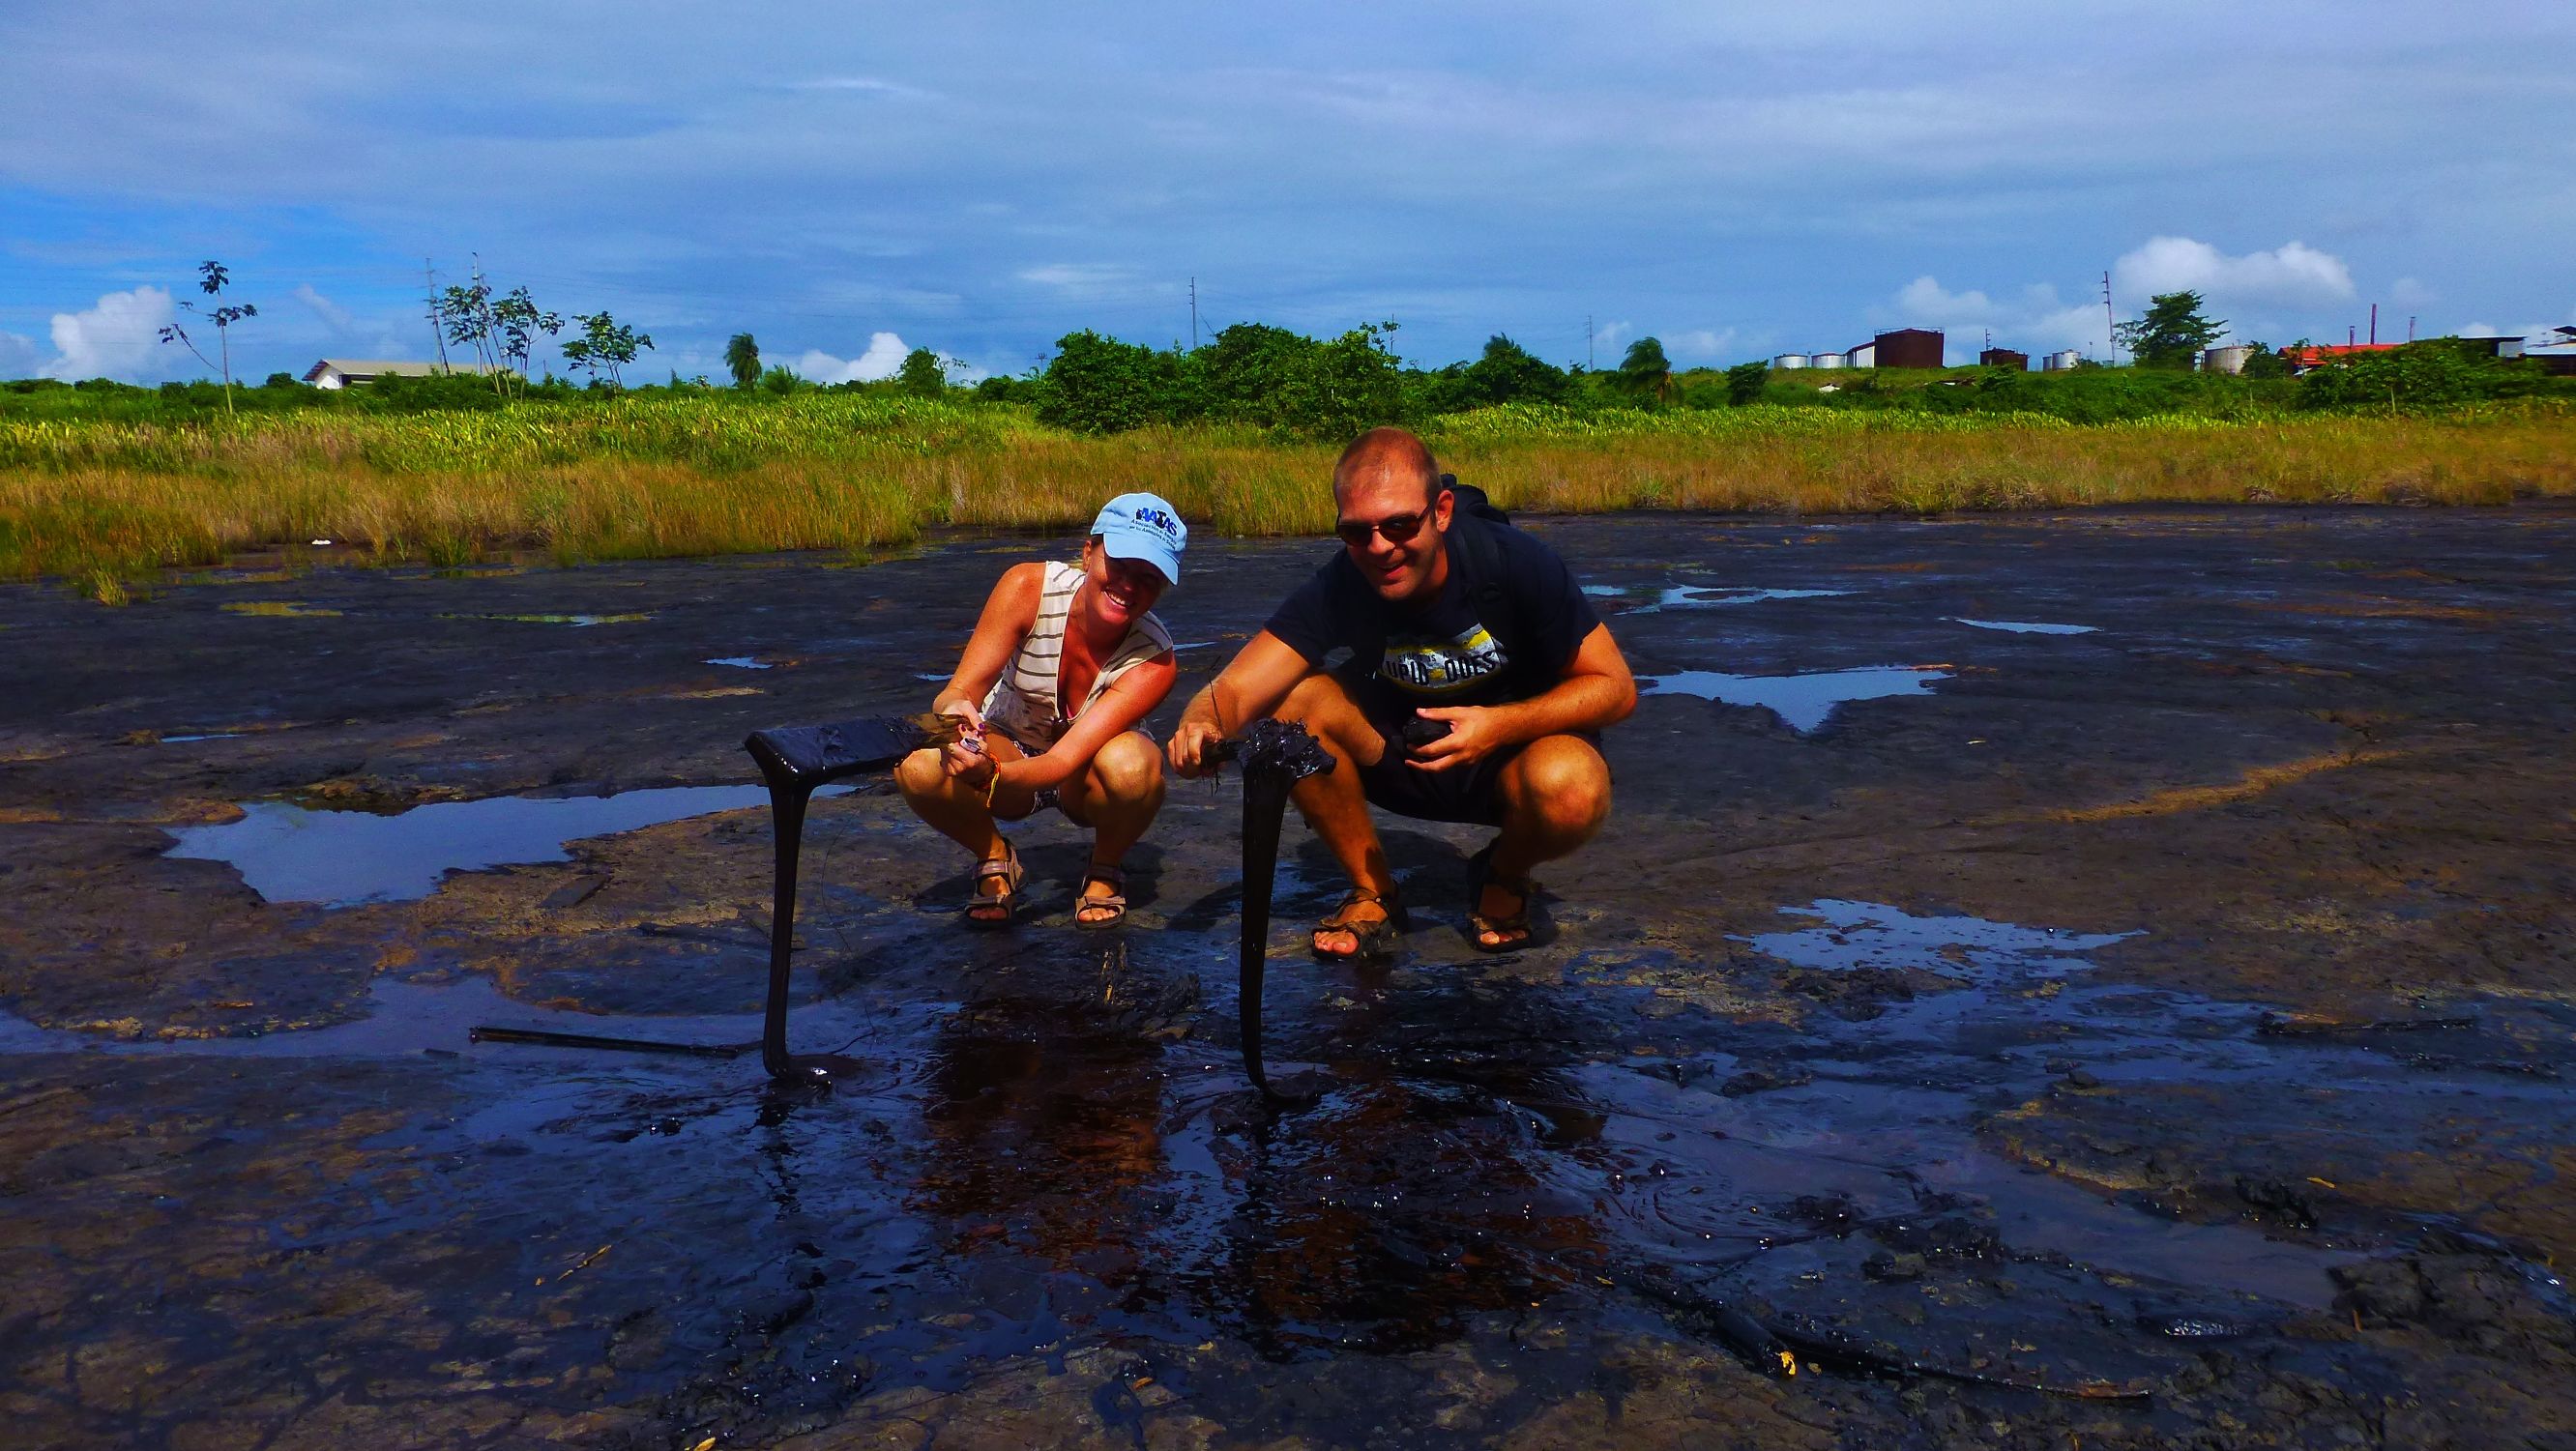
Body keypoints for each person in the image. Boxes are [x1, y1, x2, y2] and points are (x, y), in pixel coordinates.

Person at [1167, 427, 1633, 955]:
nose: (1380, 547)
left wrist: (1500, 725)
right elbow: (1235, 687)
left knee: (1574, 787)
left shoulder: (1513, 564)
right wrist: (1200, 722)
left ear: (1441, 512)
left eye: (1399, 524)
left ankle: (1503, 873)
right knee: (1290, 712)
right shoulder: (1342, 582)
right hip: (1398, 755)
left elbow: (1615, 688)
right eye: (1356, 532)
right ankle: (1373, 890)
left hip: (1508, 758)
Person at [897, 493, 1186, 929]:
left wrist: (989, 773)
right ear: (1088, 552)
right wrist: (955, 711)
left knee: (1134, 768)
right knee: (916, 765)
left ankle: (1105, 867)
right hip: (1007, 743)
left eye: (1149, 578)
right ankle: (995, 857)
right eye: (1121, 564)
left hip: (1083, 775)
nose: (1129, 585)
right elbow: (957, 691)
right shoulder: (1027, 588)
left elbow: (1062, 761)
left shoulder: (1155, 660)